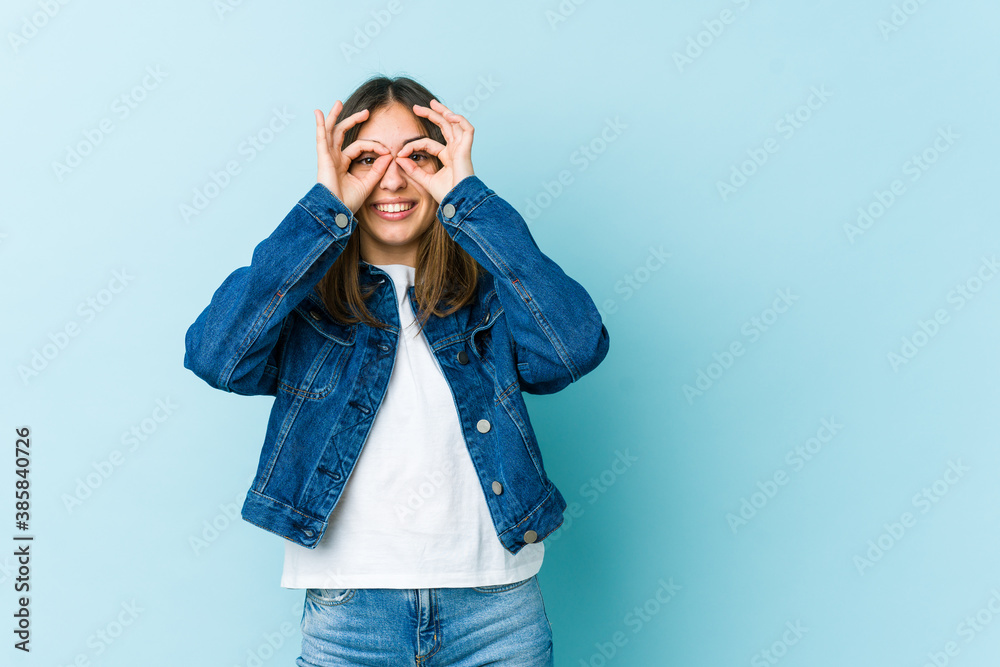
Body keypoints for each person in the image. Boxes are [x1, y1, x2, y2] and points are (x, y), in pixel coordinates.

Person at [183, 74, 610, 665]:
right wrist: (322, 209)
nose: (391, 178)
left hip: (497, 611)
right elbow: (216, 356)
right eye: (365, 159)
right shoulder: (306, 303)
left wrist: (469, 197)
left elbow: (574, 348)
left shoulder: (488, 296)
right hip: (350, 612)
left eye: (416, 156)